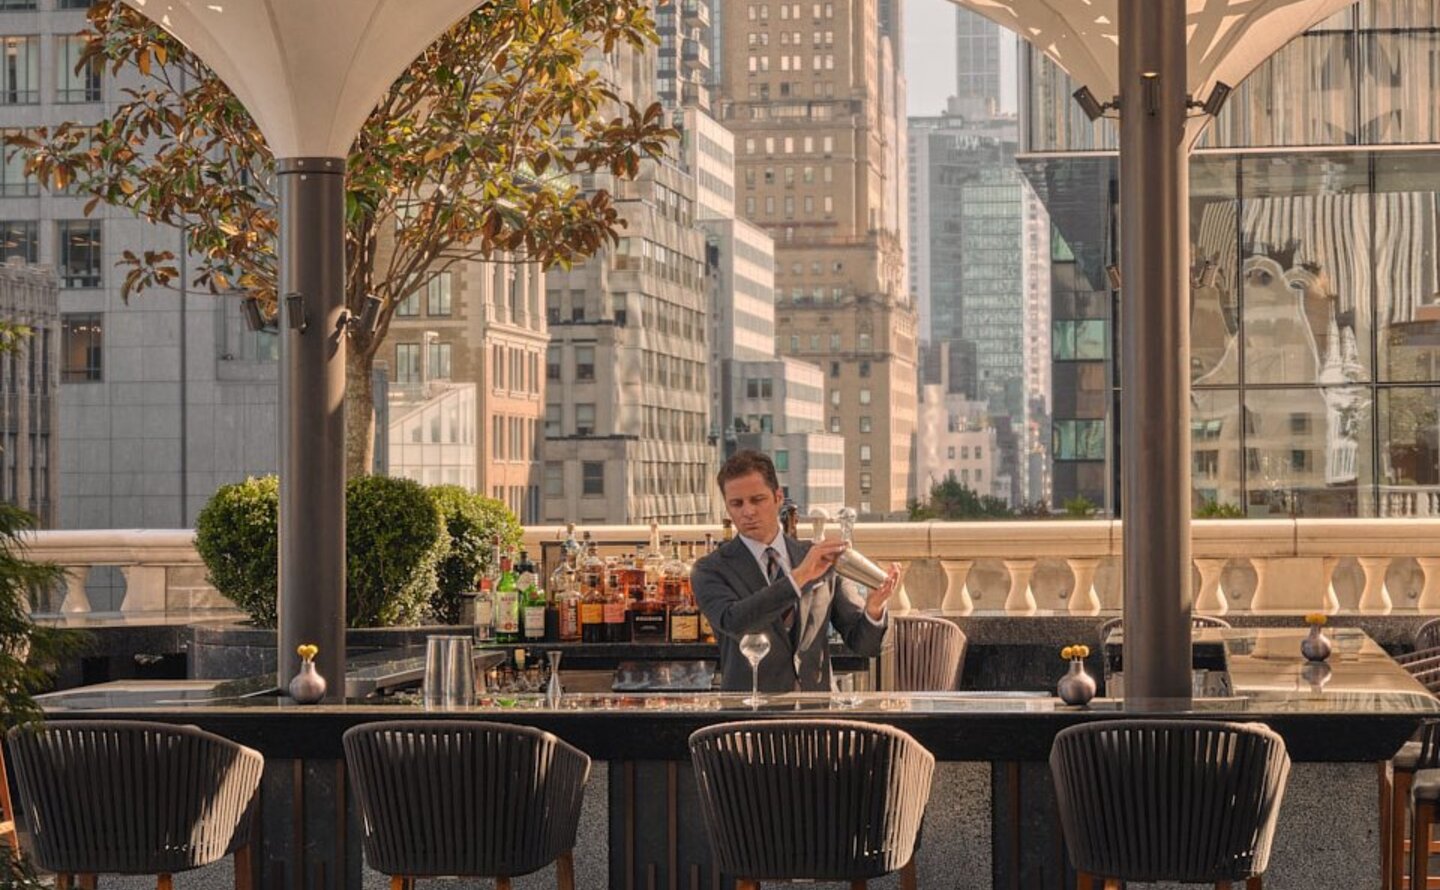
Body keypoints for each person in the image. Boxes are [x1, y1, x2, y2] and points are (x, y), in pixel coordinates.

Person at [691, 449, 901, 692]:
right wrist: (800, 576)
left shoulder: (818, 558)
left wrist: (874, 609)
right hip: (750, 715)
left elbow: (863, 646)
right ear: (727, 508)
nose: (747, 511)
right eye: (737, 504)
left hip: (818, 715)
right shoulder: (710, 569)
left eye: (757, 500)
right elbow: (735, 622)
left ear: (778, 497)